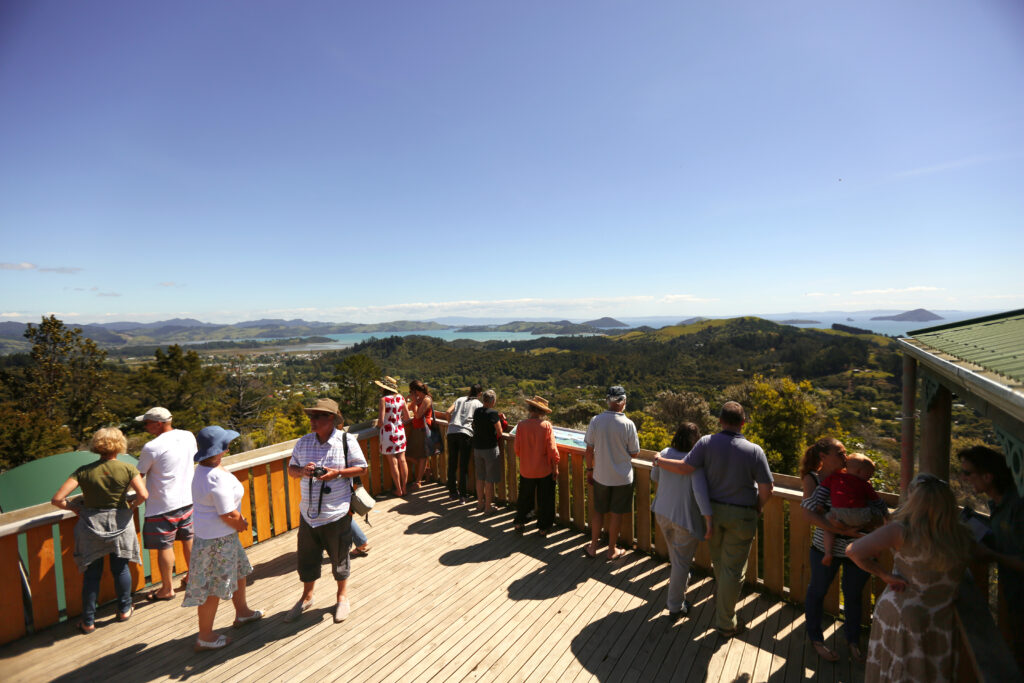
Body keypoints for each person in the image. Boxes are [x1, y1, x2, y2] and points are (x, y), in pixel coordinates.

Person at [848, 473, 973, 682]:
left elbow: (853, 551)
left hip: (900, 613)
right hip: (939, 617)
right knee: (928, 672)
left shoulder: (901, 531)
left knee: (893, 669)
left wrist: (885, 575)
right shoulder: (962, 534)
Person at [672, 401, 773, 637]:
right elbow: (767, 488)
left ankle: (723, 602)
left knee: (720, 563)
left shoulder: (707, 442)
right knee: (734, 570)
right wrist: (757, 507)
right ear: (743, 423)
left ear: (720, 420)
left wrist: (659, 460)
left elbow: (685, 467)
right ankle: (726, 623)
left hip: (713, 513)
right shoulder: (754, 450)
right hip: (742, 514)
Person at [51, 427, 148, 634]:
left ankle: (88, 622)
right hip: (120, 523)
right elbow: (143, 494)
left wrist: (74, 508)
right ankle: (123, 610)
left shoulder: (83, 470)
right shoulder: (128, 468)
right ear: (119, 445)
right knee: (120, 569)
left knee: (91, 575)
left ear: (97, 445)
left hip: (91, 525)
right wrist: (133, 506)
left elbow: (57, 499)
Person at [285, 398, 368, 624]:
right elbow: (291, 470)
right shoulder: (303, 443)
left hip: (337, 513)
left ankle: (342, 597)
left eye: (317, 416)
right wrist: (302, 470)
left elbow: (362, 467)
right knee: (308, 559)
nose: (311, 421)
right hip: (308, 514)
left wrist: (337, 474)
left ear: (331, 418)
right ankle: (307, 596)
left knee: (340, 557)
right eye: (311, 416)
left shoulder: (346, 440)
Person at [182, 426, 262, 652]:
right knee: (213, 589)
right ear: (220, 449)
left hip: (217, 536)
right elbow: (226, 512)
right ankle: (205, 636)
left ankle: (243, 612)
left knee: (239, 572)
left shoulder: (206, 467)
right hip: (217, 541)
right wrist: (241, 523)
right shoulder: (214, 476)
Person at [799, 437, 878, 661]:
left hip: (857, 547)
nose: (845, 457)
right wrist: (841, 529)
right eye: (840, 453)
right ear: (823, 457)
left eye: (845, 453)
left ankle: (853, 640)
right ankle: (816, 639)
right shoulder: (812, 478)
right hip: (826, 548)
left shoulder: (854, 476)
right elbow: (809, 514)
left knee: (853, 596)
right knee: (817, 592)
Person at [958, 445, 1024, 672]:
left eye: (967, 473)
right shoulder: (997, 504)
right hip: (1013, 594)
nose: (963, 478)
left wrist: (992, 555)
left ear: (988, 476)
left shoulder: (1017, 506)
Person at [650, 422, 712, 620]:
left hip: (662, 511)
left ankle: (680, 588)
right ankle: (675, 606)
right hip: (684, 517)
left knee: (677, 559)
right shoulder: (695, 461)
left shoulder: (665, 452)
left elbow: (654, 475)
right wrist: (708, 520)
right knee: (681, 563)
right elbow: (701, 494)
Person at [135, 406, 197, 601]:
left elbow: (137, 476)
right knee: (188, 538)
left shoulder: (151, 447)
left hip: (161, 504)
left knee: (165, 546)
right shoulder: (188, 436)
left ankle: (167, 589)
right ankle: (193, 578)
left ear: (158, 424)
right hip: (187, 498)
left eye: (147, 423)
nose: (145, 427)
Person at [584, 385, 640, 560]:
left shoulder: (596, 420)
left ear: (608, 401)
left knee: (598, 511)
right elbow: (634, 452)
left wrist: (589, 470)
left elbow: (588, 449)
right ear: (623, 402)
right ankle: (611, 550)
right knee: (616, 514)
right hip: (622, 478)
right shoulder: (628, 424)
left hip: (600, 475)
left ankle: (593, 547)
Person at [819, 454, 887, 566]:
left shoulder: (835, 477)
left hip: (838, 516)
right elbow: (878, 502)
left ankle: (828, 552)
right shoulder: (865, 484)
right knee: (878, 521)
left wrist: (819, 504)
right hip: (861, 516)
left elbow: (822, 491)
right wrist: (885, 514)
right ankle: (875, 549)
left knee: (828, 527)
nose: (869, 478)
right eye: (869, 475)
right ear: (859, 471)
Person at [512, 396, 560, 536]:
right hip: (543, 469)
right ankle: (543, 527)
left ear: (530, 409)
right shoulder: (546, 426)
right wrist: (555, 466)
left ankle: (519, 522)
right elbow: (552, 450)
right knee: (545, 498)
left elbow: (517, 449)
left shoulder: (521, 425)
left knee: (524, 496)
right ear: (542, 412)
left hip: (526, 469)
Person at [445, 384, 483, 502]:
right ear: (479, 394)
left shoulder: (459, 399)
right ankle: (462, 495)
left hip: (451, 432)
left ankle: (452, 493)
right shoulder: (478, 404)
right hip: (465, 434)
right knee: (463, 465)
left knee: (452, 463)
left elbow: (447, 412)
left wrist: (451, 423)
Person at [375, 376, 408, 497]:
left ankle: (398, 489)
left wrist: (377, 427)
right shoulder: (401, 398)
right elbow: (407, 417)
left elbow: (381, 420)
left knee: (393, 462)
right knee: (402, 460)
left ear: (384, 388)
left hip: (388, 433)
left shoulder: (383, 400)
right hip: (400, 431)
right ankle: (405, 488)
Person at [471, 389, 504, 513]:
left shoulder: (477, 411)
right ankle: (488, 507)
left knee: (480, 477)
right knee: (489, 479)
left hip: (477, 448)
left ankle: (480, 504)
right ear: (493, 401)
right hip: (490, 449)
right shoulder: (493, 413)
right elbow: (500, 432)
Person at [406, 379, 435, 491]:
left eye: (412, 391)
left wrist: (413, 402)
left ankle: (418, 481)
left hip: (423, 429)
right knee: (410, 454)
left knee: (422, 456)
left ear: (416, 390)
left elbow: (417, 415)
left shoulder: (427, 399)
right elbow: (407, 408)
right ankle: (426, 470)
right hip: (417, 429)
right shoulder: (419, 399)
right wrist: (408, 400)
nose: (412, 393)